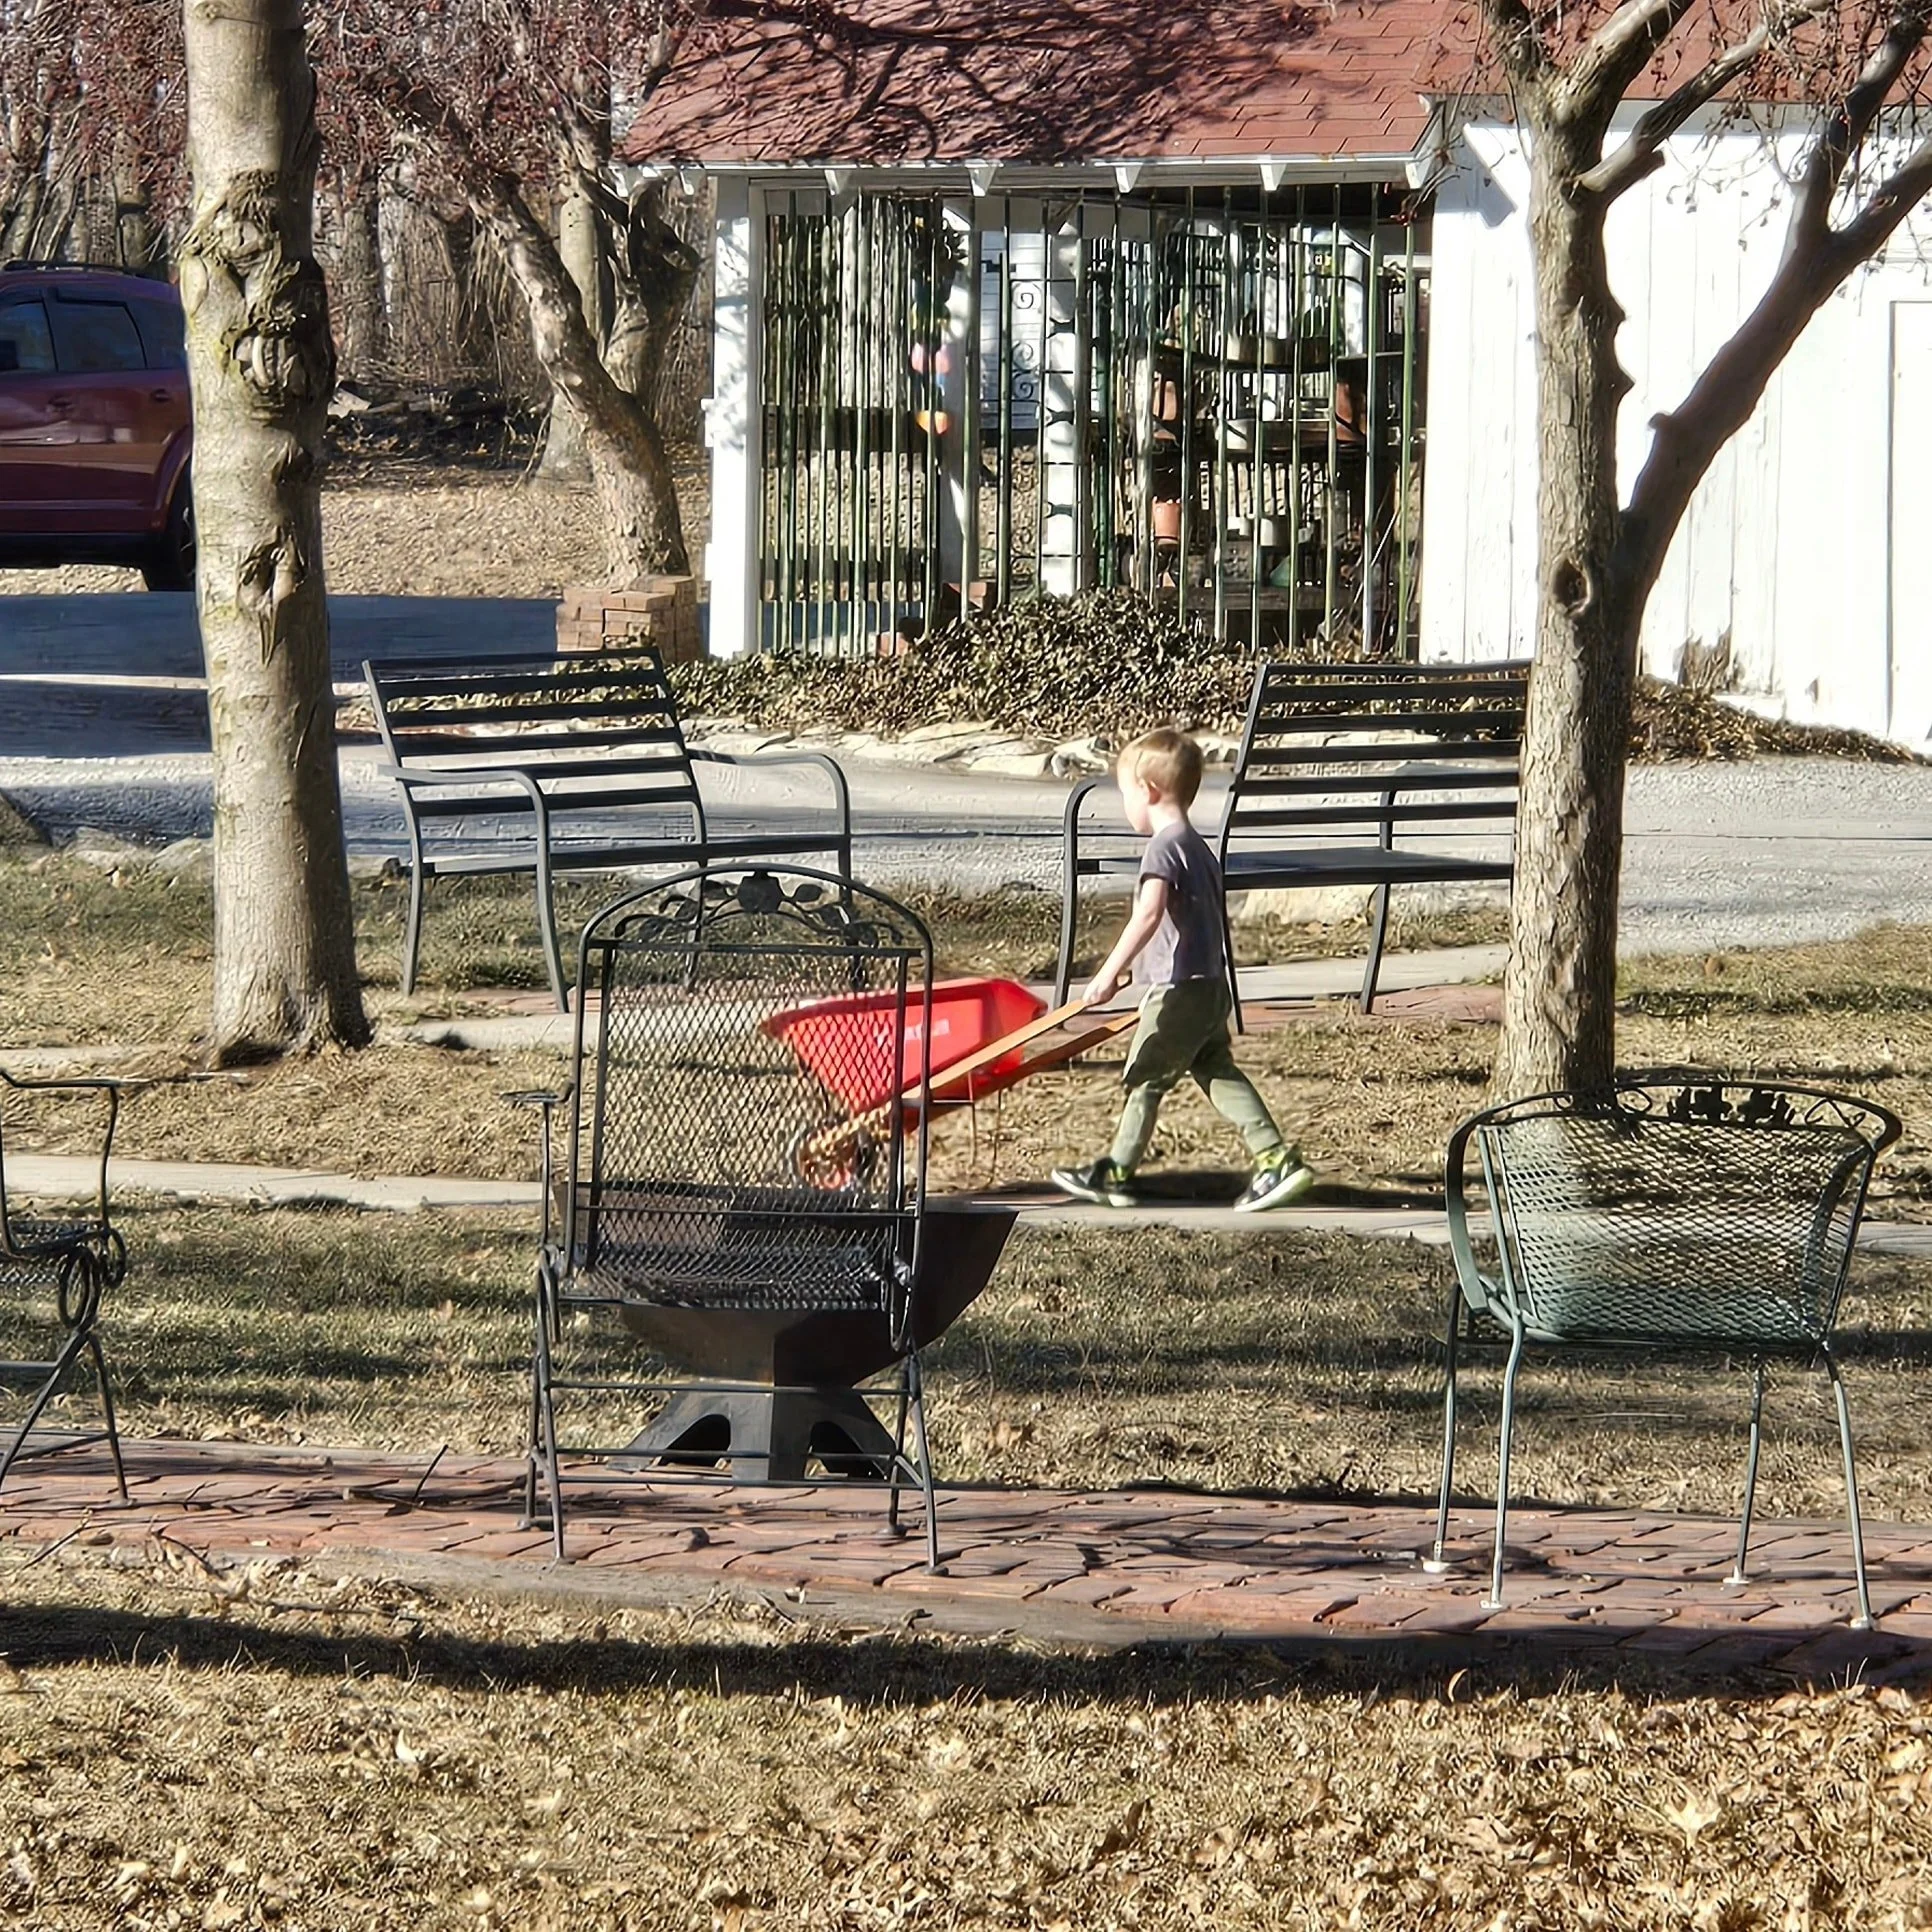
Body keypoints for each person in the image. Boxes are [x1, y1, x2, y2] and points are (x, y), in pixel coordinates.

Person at [1051, 727, 1316, 1212]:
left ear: (1149, 791)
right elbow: (1194, 920)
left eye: (1126, 793)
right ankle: (1276, 1158)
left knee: (1144, 1077)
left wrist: (1109, 973)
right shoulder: (1198, 847)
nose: (1126, 805)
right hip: (1209, 986)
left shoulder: (1162, 848)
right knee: (1217, 1070)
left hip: (1176, 992)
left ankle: (1115, 1171)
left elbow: (1148, 915)